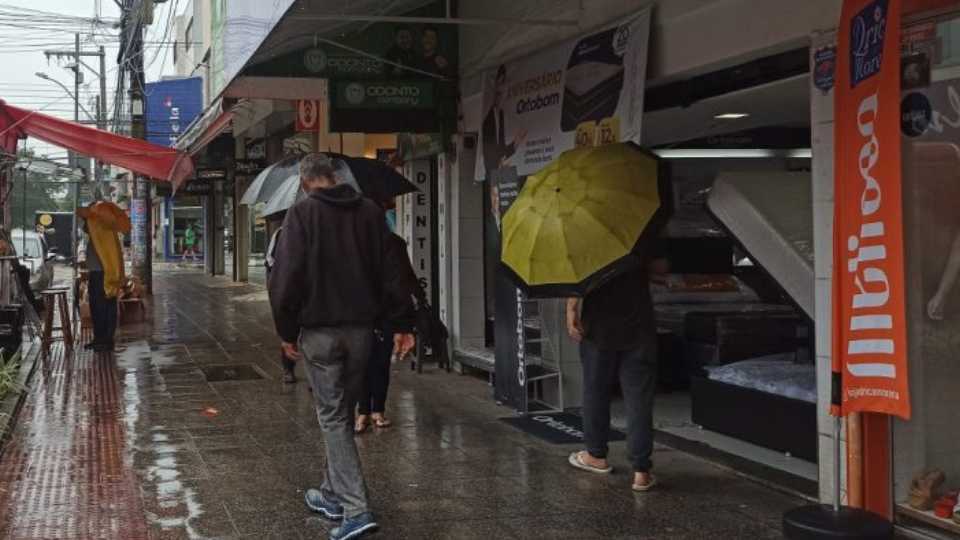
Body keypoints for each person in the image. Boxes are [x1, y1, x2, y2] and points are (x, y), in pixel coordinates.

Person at [269, 153, 416, 540]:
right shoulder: (370, 212)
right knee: (342, 413)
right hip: (362, 334)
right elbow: (393, 271)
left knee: (334, 418)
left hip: (320, 334)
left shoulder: (301, 215)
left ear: (304, 183)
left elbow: (285, 279)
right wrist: (403, 323)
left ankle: (356, 509)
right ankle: (331, 493)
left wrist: (286, 332)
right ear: (335, 177)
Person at [565, 256, 665, 493]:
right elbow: (660, 268)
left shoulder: (588, 240)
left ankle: (595, 455)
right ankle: (641, 472)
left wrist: (571, 308)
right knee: (639, 399)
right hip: (639, 326)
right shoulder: (641, 236)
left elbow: (578, 277)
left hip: (598, 327)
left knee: (595, 391)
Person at [355, 198, 418, 434]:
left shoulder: (388, 244)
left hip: (374, 315)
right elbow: (403, 284)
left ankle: (369, 411)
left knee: (370, 363)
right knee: (374, 363)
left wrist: (403, 323)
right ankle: (371, 411)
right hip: (374, 314)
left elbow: (402, 284)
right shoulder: (387, 243)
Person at [78, 202, 131, 354]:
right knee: (104, 305)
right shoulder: (103, 229)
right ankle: (102, 339)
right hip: (103, 272)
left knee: (100, 306)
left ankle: (103, 340)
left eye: (87, 220)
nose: (85, 224)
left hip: (101, 273)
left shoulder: (99, 226)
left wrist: (88, 216)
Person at [481, 64, 527, 177]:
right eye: (499, 83)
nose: (501, 89)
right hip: (492, 174)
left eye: (504, 84)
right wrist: (500, 164)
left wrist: (516, 142)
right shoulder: (487, 116)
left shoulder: (500, 114)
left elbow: (500, 150)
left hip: (496, 174)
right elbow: (489, 152)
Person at [265, 224, 297, 384]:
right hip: (289, 289)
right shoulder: (281, 232)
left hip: (307, 291)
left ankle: (314, 377)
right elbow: (270, 260)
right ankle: (288, 369)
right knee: (289, 332)